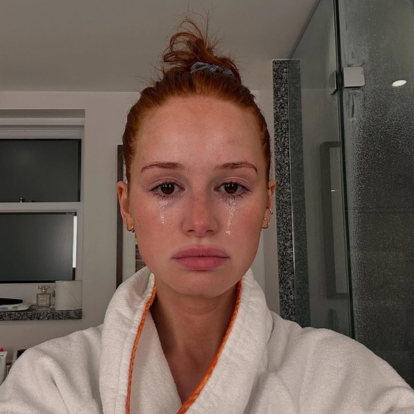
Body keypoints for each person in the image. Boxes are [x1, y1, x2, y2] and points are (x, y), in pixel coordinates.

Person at [1, 19, 414, 414]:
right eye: (167, 188)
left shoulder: (346, 380)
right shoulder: (50, 382)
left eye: (231, 187)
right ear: (126, 206)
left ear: (268, 203)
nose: (200, 222)